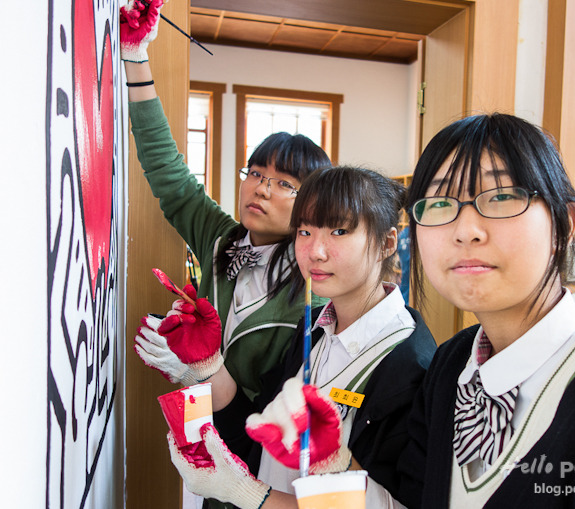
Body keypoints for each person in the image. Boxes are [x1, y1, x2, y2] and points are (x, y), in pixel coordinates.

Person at [394, 113, 575, 507]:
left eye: (501, 197)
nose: (466, 230)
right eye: (441, 202)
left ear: (564, 223)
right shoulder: (451, 365)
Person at [166, 166, 437, 509]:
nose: (315, 252)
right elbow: (258, 436)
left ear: (386, 243)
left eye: (339, 231)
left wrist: (246, 493)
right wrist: (209, 365)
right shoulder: (313, 331)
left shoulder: (411, 365)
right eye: (305, 231)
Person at [120, 0, 330, 404]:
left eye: (284, 184)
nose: (262, 189)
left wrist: (199, 370)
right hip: (194, 430)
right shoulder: (221, 238)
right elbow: (168, 171)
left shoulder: (314, 293)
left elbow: (279, 405)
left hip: (255, 452)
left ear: (312, 204)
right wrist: (136, 56)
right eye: (255, 173)